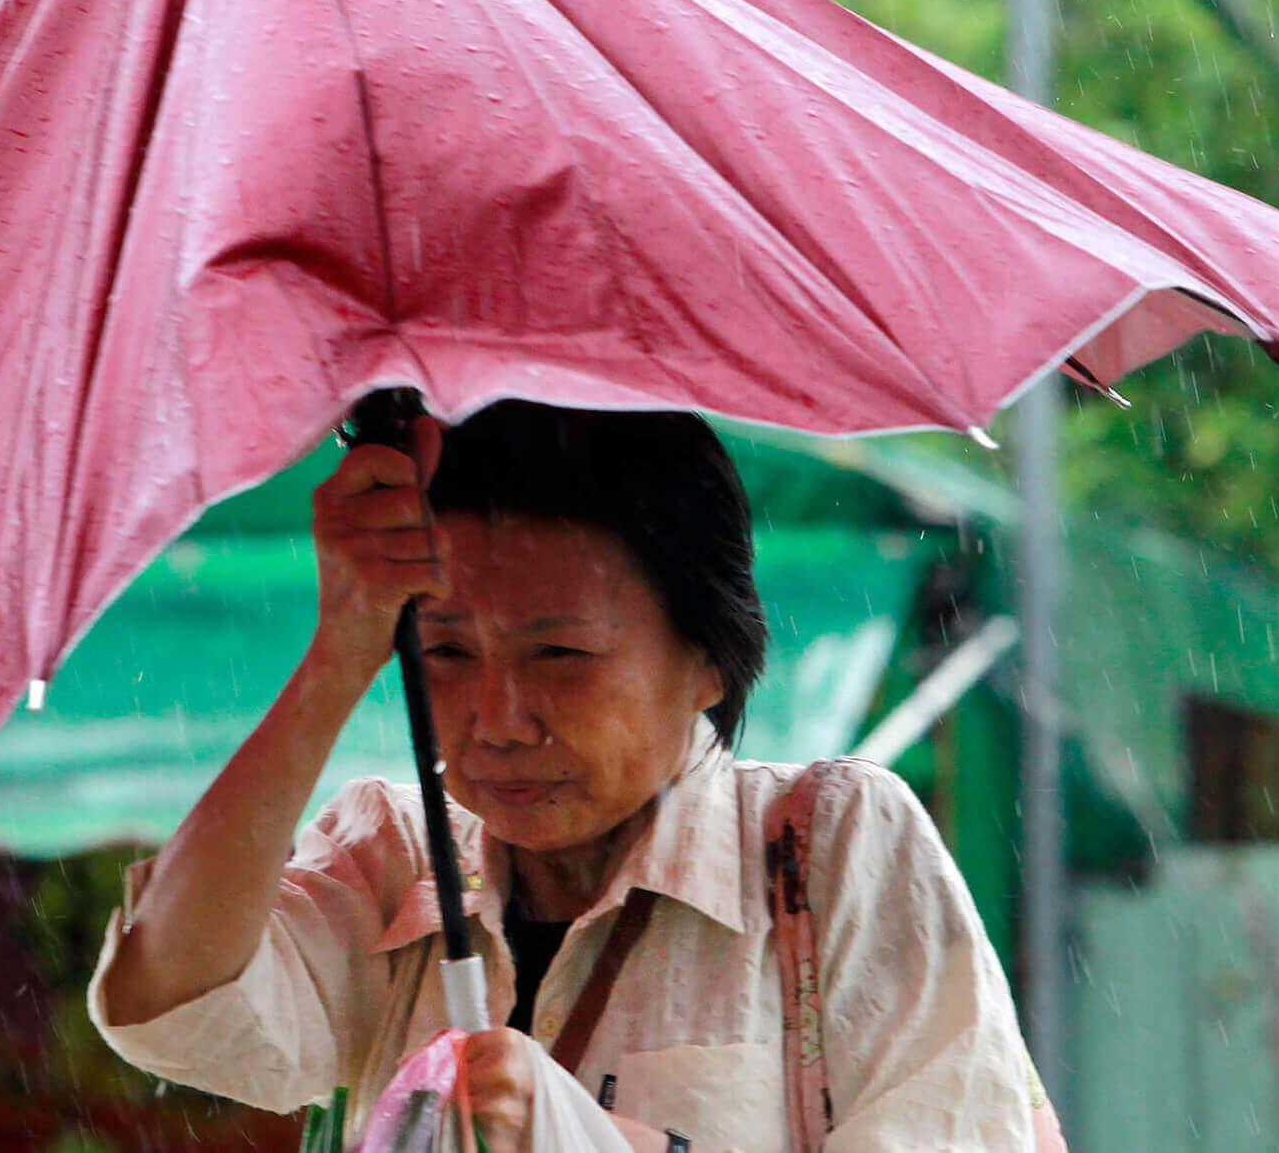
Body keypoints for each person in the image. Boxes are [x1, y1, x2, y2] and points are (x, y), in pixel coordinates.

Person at [91, 401, 1046, 1152]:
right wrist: (340, 647)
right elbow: (169, 997)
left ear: (707, 659)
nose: (498, 721)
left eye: (558, 654)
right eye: (447, 653)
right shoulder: (389, 856)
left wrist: (594, 1138)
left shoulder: (826, 845)